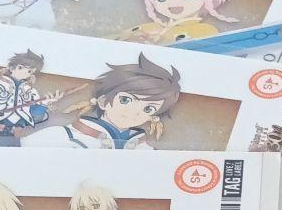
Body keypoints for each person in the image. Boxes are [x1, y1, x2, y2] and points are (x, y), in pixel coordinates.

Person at [22, 57, 181, 150]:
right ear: (103, 101)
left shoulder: (145, 148)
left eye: (148, 108)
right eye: (125, 100)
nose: (134, 112)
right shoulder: (61, 136)